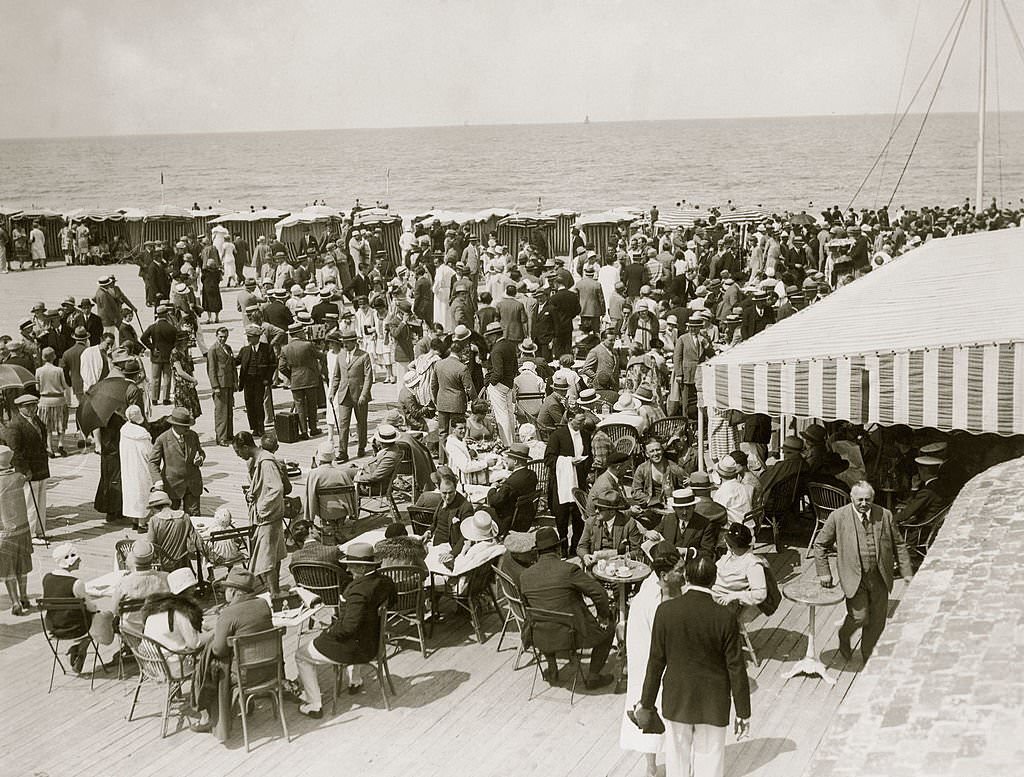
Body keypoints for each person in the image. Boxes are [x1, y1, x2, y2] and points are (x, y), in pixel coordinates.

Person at [634, 554, 751, 777]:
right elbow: (736, 667)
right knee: (710, 761)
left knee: (677, 760)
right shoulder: (725, 617)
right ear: (714, 580)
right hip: (713, 701)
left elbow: (656, 662)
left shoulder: (666, 612)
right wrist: (743, 712)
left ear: (687, 577)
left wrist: (646, 703)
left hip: (677, 698)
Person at [294, 542, 397, 718]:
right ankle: (355, 681)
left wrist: (329, 631)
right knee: (359, 630)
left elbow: (349, 627)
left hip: (357, 648)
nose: (348, 570)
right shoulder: (385, 582)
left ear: (361, 568)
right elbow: (392, 602)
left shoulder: (357, 592)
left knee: (301, 655)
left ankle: (314, 704)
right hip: (374, 641)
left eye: (351, 566)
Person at [814, 480, 913, 661]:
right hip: (853, 576)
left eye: (867, 499)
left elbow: (898, 543)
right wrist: (823, 572)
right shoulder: (838, 516)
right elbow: (820, 544)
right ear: (851, 498)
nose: (863, 503)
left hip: (880, 576)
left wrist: (906, 571)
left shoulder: (885, 515)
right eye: (859, 500)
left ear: (873, 498)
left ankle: (868, 657)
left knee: (877, 621)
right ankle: (844, 635)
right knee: (859, 617)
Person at [518, 526, 615, 689]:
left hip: (540, 634)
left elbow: (530, 608)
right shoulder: (569, 570)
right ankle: (593, 676)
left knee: (545, 615)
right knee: (609, 629)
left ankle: (553, 666)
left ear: (537, 552)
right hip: (572, 635)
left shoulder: (525, 576)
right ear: (558, 548)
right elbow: (600, 594)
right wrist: (603, 615)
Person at [620, 543, 685, 777]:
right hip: (651, 660)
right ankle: (652, 766)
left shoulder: (662, 587)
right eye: (679, 569)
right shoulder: (650, 598)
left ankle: (663, 764)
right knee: (651, 711)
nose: (683, 574)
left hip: (655, 660)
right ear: (663, 573)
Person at [190, 569, 274, 733]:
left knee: (209, 667)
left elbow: (219, 650)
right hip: (269, 669)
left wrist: (218, 631)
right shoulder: (263, 604)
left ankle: (209, 719)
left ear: (233, 591)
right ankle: (246, 703)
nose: (224, 593)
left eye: (226, 589)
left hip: (244, 675)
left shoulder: (228, 613)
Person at [41, 543, 115, 672]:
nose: (79, 560)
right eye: (76, 558)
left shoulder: (47, 578)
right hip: (77, 628)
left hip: (54, 626)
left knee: (95, 619)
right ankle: (83, 645)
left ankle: (82, 646)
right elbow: (91, 608)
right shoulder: (76, 583)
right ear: (69, 561)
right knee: (108, 617)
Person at [233, 431, 287, 597]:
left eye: (238, 451)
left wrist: (262, 508)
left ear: (246, 447)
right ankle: (274, 590)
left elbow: (277, 488)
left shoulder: (265, 462)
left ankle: (274, 593)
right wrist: (251, 493)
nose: (238, 455)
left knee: (267, 558)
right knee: (273, 554)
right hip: (270, 516)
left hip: (267, 517)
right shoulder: (258, 461)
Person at [141, 569, 207, 680]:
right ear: (189, 590)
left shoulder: (156, 607)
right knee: (212, 650)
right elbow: (194, 643)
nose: (195, 590)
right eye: (193, 588)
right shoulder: (181, 611)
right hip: (173, 666)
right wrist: (215, 632)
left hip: (151, 664)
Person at [545, 407, 593, 556]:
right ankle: (563, 546)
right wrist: (568, 462)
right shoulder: (558, 435)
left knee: (579, 516)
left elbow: (589, 455)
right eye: (579, 421)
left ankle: (576, 546)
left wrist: (584, 466)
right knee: (562, 516)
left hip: (579, 480)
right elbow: (548, 458)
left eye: (583, 420)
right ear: (570, 420)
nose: (582, 424)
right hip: (561, 482)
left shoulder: (585, 434)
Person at [5, 394, 50, 544]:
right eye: (28, 406)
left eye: (34, 405)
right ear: (19, 408)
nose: (32, 409)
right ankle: (31, 534)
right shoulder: (15, 425)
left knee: (41, 501)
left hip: (41, 467)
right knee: (30, 502)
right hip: (28, 470)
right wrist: (24, 470)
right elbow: (15, 451)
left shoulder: (36, 420)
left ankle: (39, 529)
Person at [148, 407, 206, 514]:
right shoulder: (162, 439)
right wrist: (158, 481)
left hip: (193, 484)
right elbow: (152, 462)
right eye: (184, 426)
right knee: (171, 518)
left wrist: (200, 458)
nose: (188, 428)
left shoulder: (193, 436)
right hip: (172, 486)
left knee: (194, 517)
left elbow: (201, 452)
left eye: (188, 425)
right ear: (174, 425)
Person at [330, 328, 373, 461]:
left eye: (348, 342)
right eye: (343, 342)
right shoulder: (340, 355)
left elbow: (368, 377)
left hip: (359, 396)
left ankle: (361, 446)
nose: (345, 345)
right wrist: (332, 392)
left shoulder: (364, 356)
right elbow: (336, 376)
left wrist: (364, 395)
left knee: (361, 423)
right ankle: (343, 451)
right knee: (343, 424)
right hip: (344, 395)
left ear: (354, 342)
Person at [431, 337, 475, 464]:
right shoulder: (462, 368)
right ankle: (454, 459)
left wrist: (436, 399)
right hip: (457, 403)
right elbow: (469, 388)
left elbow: (433, 385)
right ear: (461, 352)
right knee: (457, 432)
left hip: (442, 402)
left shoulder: (439, 364)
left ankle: (442, 460)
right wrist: (475, 401)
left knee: (442, 432)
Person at [0, 446, 32, 614]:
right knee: (22, 565)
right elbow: (27, 477)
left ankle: (15, 602)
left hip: (4, 532)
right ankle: (24, 596)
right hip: (23, 528)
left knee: (8, 569)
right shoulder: (18, 477)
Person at [279, 322, 324, 439]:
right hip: (310, 379)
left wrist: (292, 375)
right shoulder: (307, 345)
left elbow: (281, 367)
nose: (304, 333)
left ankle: (303, 431)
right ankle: (313, 429)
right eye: (302, 332)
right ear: (298, 333)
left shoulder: (285, 348)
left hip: (296, 381)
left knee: (300, 407)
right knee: (312, 405)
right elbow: (320, 356)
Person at [304, 441, 358, 538]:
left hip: (324, 511)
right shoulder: (342, 473)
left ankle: (331, 528)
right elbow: (352, 494)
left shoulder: (314, 474)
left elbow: (310, 497)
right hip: (342, 510)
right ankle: (338, 528)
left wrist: (310, 517)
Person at [577, 492, 646, 565]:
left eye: (600, 509)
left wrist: (624, 557)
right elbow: (581, 546)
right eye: (596, 507)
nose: (596, 511)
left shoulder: (629, 523)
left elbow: (638, 551)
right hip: (595, 565)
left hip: (619, 565)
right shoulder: (590, 522)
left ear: (612, 512)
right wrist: (585, 556)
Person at [712, 523, 767, 613]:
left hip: (726, 603)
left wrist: (734, 596)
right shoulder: (729, 555)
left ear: (733, 545)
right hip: (713, 594)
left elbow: (760, 594)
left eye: (728, 542)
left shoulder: (752, 564)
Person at [486, 443, 538, 535]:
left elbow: (494, 502)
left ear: (516, 462)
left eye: (509, 457)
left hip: (509, 521)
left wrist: (492, 488)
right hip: (525, 518)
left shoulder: (511, 483)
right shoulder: (532, 475)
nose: (506, 460)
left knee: (480, 509)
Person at [236, 324, 276, 437]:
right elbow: (237, 361)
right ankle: (254, 427)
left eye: (250, 337)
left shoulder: (267, 348)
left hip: (260, 381)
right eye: (248, 337)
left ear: (257, 337)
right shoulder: (245, 350)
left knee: (258, 403)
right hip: (247, 381)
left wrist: (268, 379)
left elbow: (273, 364)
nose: (248, 339)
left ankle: (261, 427)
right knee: (249, 404)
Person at [110, 539, 170, 613]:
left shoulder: (124, 583)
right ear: (152, 558)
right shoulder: (166, 578)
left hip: (130, 624)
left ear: (134, 559)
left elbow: (114, 610)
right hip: (156, 623)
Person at [482, 320, 517, 446]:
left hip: (499, 384)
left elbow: (498, 372)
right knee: (509, 414)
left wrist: (491, 382)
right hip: (508, 383)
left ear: (494, 335)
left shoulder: (496, 349)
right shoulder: (510, 345)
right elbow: (515, 367)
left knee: (502, 416)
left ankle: (507, 444)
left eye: (489, 336)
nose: (489, 339)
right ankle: (512, 442)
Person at [633, 438, 688, 507]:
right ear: (647, 454)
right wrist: (651, 500)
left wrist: (690, 480)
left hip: (671, 506)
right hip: (650, 506)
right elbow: (635, 492)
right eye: (652, 451)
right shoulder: (642, 469)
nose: (655, 453)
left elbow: (687, 481)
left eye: (658, 450)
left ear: (662, 450)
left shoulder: (672, 467)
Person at [35, 347, 70, 457]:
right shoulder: (58, 370)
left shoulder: (38, 371)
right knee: (61, 424)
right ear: (54, 356)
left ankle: (49, 447)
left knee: (47, 425)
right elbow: (64, 385)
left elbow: (37, 387)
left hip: (45, 400)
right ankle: (60, 444)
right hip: (59, 399)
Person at [141, 305, 178, 406]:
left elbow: (143, 338)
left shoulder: (153, 327)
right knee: (167, 377)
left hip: (156, 356)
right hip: (168, 355)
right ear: (166, 315)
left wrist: (152, 347)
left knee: (155, 378)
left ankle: (154, 398)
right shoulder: (172, 328)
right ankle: (166, 398)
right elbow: (176, 341)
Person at [206, 327, 236, 446]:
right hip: (220, 384)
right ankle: (221, 437)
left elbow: (232, 366)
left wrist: (235, 382)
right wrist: (215, 386)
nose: (223, 339)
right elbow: (211, 369)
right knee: (221, 412)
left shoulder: (228, 348)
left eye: (225, 337)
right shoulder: (213, 350)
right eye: (221, 337)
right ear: (216, 336)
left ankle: (229, 434)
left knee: (229, 410)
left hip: (228, 382)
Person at [712, 455, 755, 526]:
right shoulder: (747, 487)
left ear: (719, 474)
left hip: (734, 532)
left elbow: (716, 515)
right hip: (749, 528)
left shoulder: (721, 493)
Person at [170, 331, 202, 419]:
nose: (186, 343)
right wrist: (193, 379)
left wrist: (192, 379)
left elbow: (190, 368)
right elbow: (180, 371)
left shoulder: (186, 352)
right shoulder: (175, 353)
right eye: (184, 341)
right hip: (181, 386)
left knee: (192, 412)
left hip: (189, 385)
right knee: (184, 413)